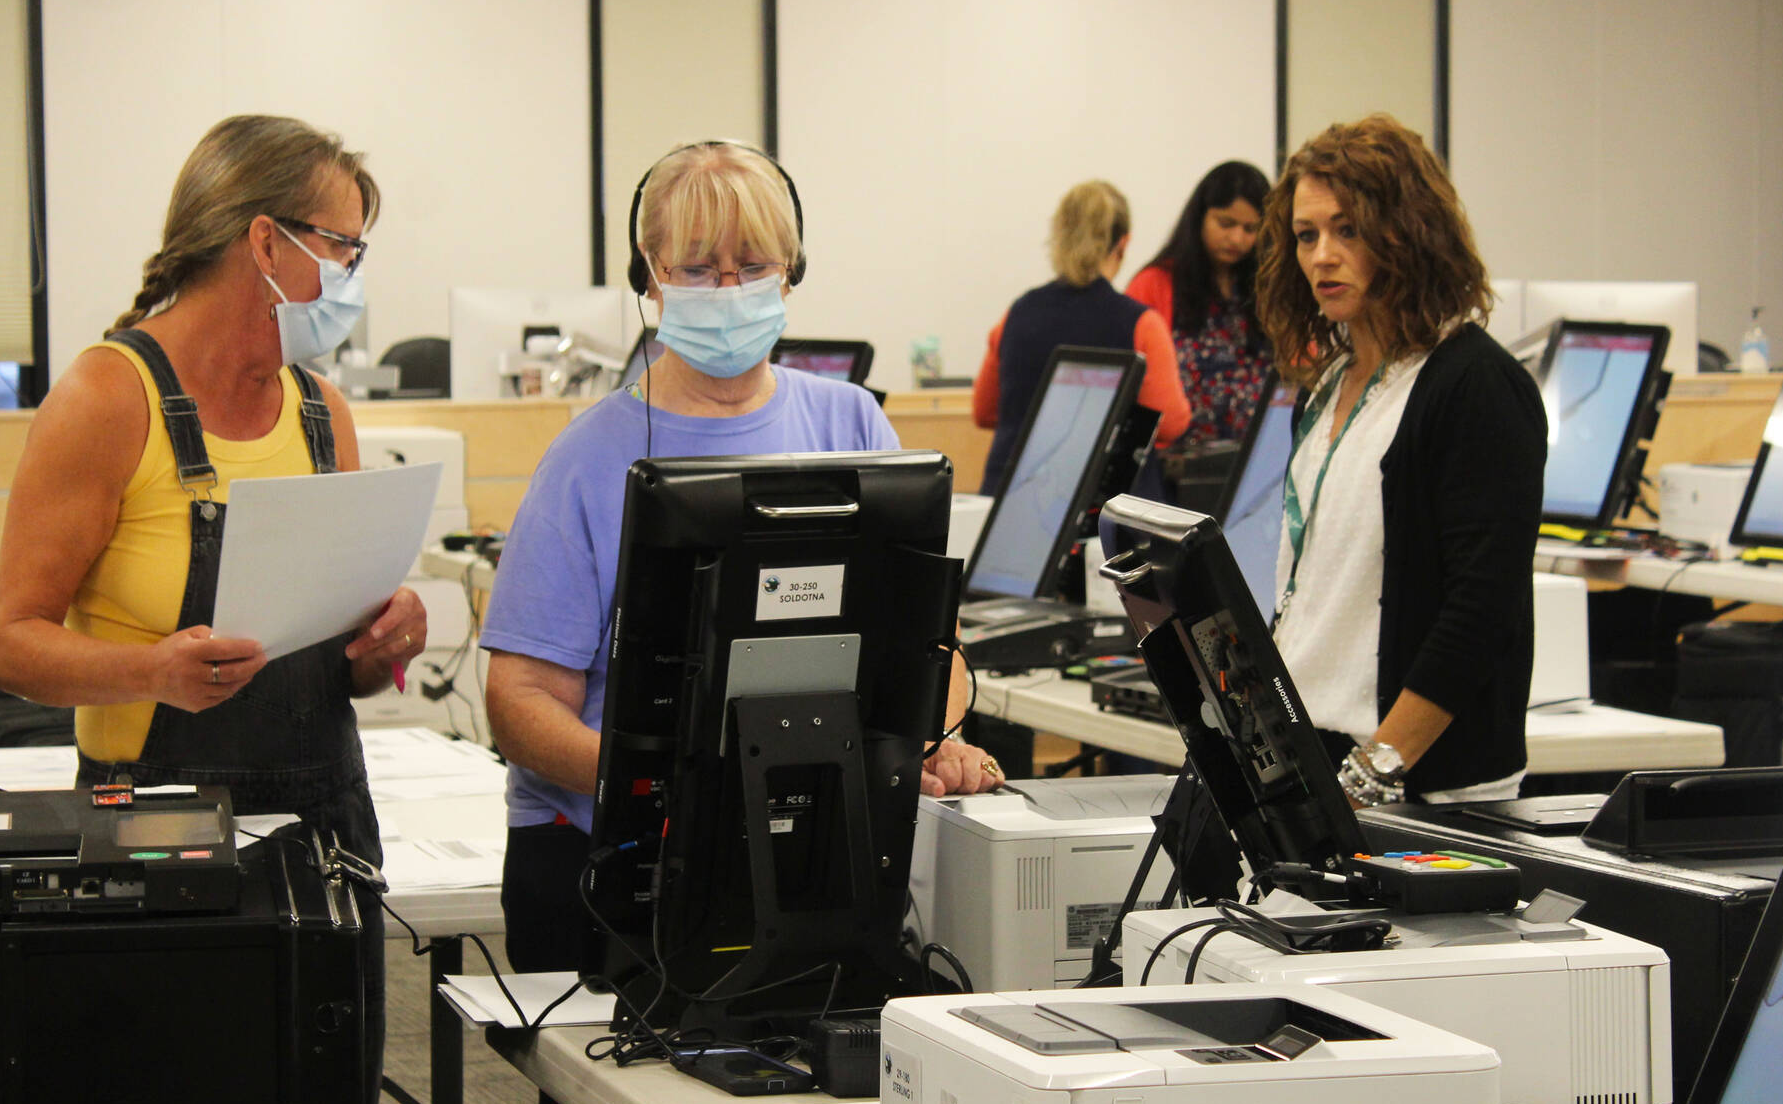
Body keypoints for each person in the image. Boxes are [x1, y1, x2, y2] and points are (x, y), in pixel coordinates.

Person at [480, 142, 1002, 1020]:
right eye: (697, 268)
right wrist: (679, 784)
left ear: (791, 273)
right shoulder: (586, 460)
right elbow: (518, 701)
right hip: (614, 867)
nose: (727, 290)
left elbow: (930, 645)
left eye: (750, 266)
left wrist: (933, 732)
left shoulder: (852, 423)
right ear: (650, 278)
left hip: (805, 853)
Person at [0, 115, 425, 1104]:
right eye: (343, 248)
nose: (353, 276)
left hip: (323, 829)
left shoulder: (322, 413)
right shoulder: (109, 396)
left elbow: (335, 660)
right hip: (149, 827)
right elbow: (7, 644)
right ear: (266, 243)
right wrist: (148, 672)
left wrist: (383, 644)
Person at [1254, 113, 1546, 806]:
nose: (1322, 255)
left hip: (1423, 784)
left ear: (1409, 231)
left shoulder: (1474, 384)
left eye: (1347, 229)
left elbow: (1480, 610)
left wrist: (1375, 769)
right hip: (1322, 757)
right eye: (1306, 234)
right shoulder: (1326, 385)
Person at [972, 180, 1190, 497]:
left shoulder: (1015, 315)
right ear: (1123, 244)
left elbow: (985, 411)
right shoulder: (1142, 325)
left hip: (1015, 502)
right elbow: (1170, 423)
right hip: (1104, 512)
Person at [1126, 160, 1273, 450]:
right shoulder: (1154, 283)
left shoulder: (1269, 287)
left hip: (1256, 463)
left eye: (1250, 228)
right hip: (1174, 471)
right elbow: (1131, 388)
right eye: (1226, 223)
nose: (1236, 238)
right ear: (1200, 218)